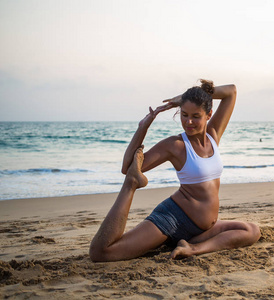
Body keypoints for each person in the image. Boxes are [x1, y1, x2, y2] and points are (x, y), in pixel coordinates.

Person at [89, 80, 261, 262]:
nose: (189, 122)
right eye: (184, 115)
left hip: (201, 229)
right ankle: (132, 187)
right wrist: (143, 127)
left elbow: (231, 92)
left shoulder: (213, 135)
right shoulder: (176, 145)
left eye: (196, 116)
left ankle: (192, 248)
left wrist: (185, 97)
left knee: (251, 231)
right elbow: (127, 167)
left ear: (209, 114)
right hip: (173, 219)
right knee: (102, 253)